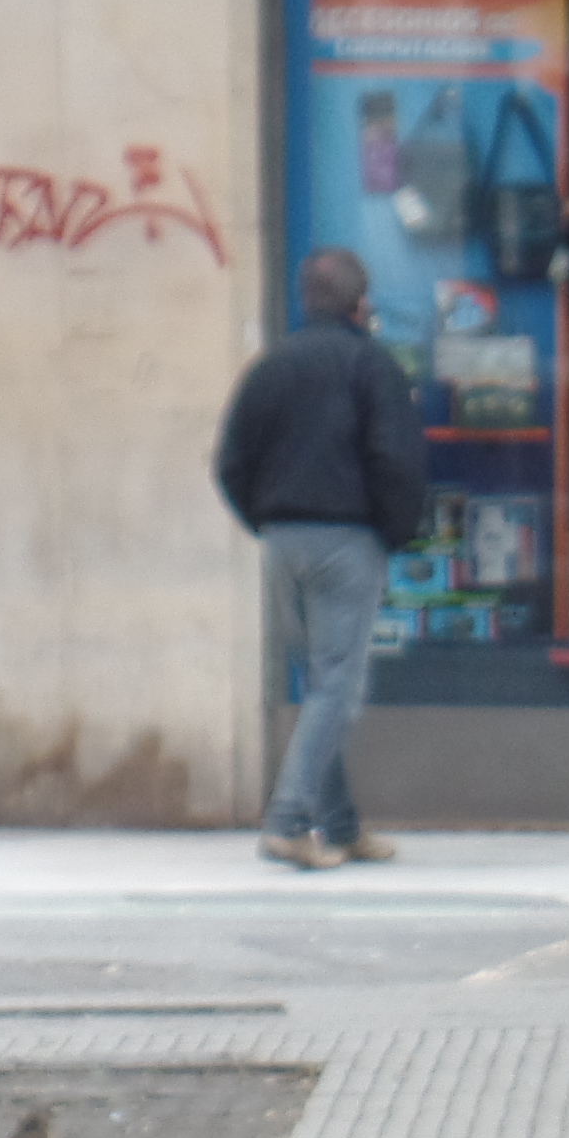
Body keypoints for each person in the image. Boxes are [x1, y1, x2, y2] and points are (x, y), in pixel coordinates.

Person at [213, 246, 427, 869]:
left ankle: (340, 826)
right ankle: (286, 822)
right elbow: (397, 460)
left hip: (282, 539)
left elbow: (230, 462)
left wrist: (266, 520)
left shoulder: (269, 369)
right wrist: (390, 533)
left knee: (318, 686)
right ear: (361, 304)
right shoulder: (372, 366)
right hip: (348, 539)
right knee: (338, 687)